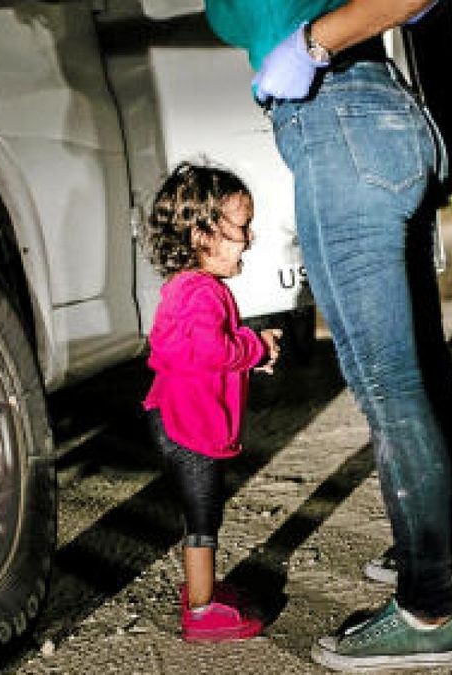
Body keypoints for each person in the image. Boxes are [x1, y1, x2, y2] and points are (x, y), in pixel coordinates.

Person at [204, 1, 452, 670]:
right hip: (385, 114)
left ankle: (428, 609)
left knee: (388, 384)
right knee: (421, 366)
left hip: (337, 124)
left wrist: (308, 46)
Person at [141, 162, 282, 643]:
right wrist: (255, 347)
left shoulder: (186, 289)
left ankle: (201, 590)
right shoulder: (204, 293)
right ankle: (201, 610)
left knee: (198, 512)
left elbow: (192, 350)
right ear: (203, 234)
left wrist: (247, 349)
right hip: (190, 427)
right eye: (241, 228)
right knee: (204, 517)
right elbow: (210, 350)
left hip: (172, 418)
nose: (249, 239)